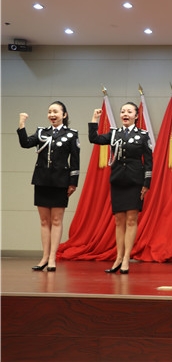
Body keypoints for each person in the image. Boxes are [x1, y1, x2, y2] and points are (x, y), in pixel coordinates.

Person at [89, 102, 153, 274]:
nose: (125, 114)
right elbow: (94, 139)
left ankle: (126, 258)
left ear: (136, 116)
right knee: (119, 220)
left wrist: (146, 183)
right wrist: (94, 119)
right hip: (118, 180)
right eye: (123, 111)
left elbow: (148, 161)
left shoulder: (143, 135)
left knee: (131, 219)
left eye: (129, 111)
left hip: (135, 181)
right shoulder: (114, 134)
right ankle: (118, 257)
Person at [18, 101, 80, 272]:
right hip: (42, 180)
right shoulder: (41, 132)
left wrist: (73, 182)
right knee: (44, 221)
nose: (52, 115)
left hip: (61, 182)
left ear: (64, 115)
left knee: (56, 220)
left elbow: (75, 160)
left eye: (56, 112)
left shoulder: (71, 134)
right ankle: (44, 257)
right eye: (50, 111)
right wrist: (22, 124)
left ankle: (53, 257)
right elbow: (25, 143)